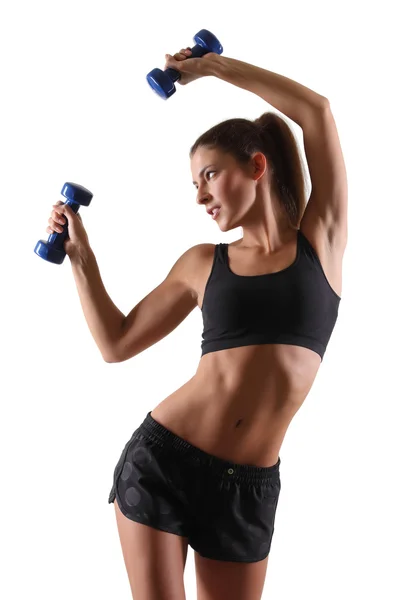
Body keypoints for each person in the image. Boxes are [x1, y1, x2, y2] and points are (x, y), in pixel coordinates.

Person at [47, 46, 347, 600]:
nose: (201, 196)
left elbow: (318, 113)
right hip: (165, 464)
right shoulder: (204, 264)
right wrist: (81, 258)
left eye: (209, 175)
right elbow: (115, 343)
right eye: (194, 184)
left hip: (249, 490)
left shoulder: (319, 244)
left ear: (257, 165)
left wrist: (213, 69)